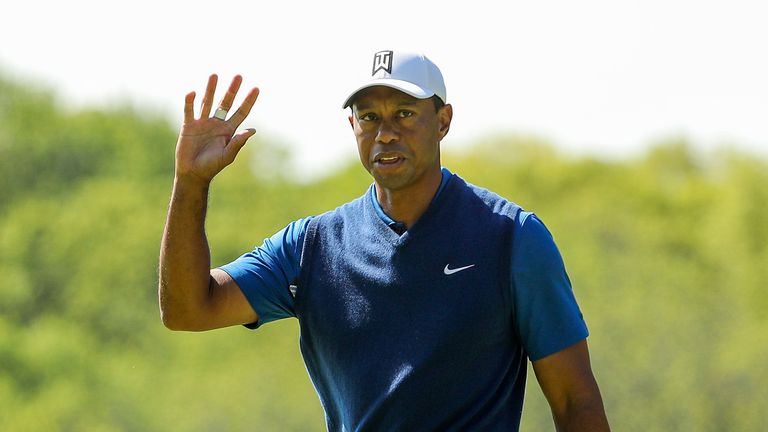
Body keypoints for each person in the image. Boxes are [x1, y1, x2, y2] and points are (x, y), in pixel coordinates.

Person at [159, 50, 610, 431]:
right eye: (369, 117)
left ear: (444, 120)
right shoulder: (311, 247)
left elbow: (575, 401)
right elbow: (187, 309)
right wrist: (191, 182)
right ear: (352, 126)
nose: (386, 132)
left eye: (405, 114)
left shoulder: (512, 237)